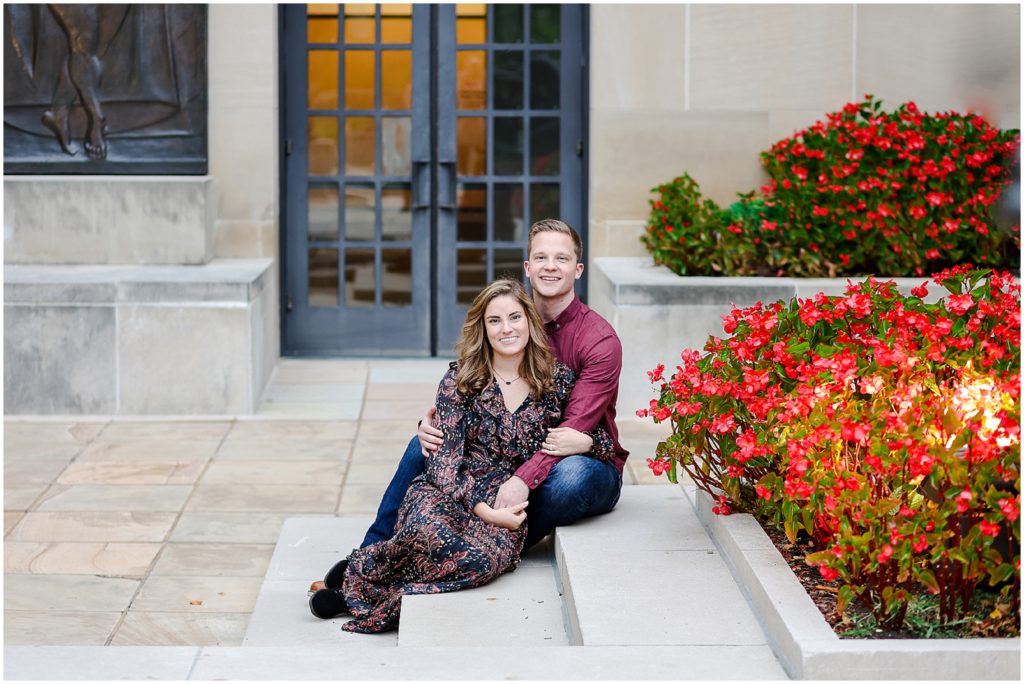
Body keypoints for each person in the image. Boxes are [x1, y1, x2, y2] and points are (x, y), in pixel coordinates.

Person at [308, 279, 616, 633]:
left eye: (515, 317)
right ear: (482, 329)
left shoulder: (556, 382)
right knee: (427, 532)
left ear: (530, 322)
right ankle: (357, 582)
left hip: (507, 499)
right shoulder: (461, 380)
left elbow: (598, 440)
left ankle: (361, 585)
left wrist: (588, 444)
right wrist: (488, 512)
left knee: (477, 562)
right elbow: (443, 465)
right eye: (495, 321)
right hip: (453, 494)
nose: (507, 329)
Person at [356, 219, 629, 555]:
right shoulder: (510, 319)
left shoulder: (598, 341)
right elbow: (471, 387)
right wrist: (437, 424)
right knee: (422, 447)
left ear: (578, 269)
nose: (551, 267)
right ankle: (368, 552)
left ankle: (488, 543)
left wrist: (521, 480)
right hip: (510, 450)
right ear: (527, 267)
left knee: (571, 478)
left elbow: (570, 433)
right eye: (541, 258)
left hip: (577, 458)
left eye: (562, 258)